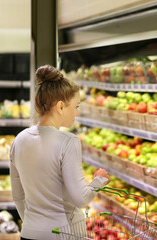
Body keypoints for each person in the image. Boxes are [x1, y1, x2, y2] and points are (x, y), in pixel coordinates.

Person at [10, 65, 110, 240]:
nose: (77, 113)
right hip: (63, 234)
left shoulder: (19, 140)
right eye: (76, 106)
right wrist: (99, 180)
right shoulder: (68, 142)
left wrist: (34, 226)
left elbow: (18, 196)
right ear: (61, 106)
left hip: (29, 233)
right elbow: (81, 199)